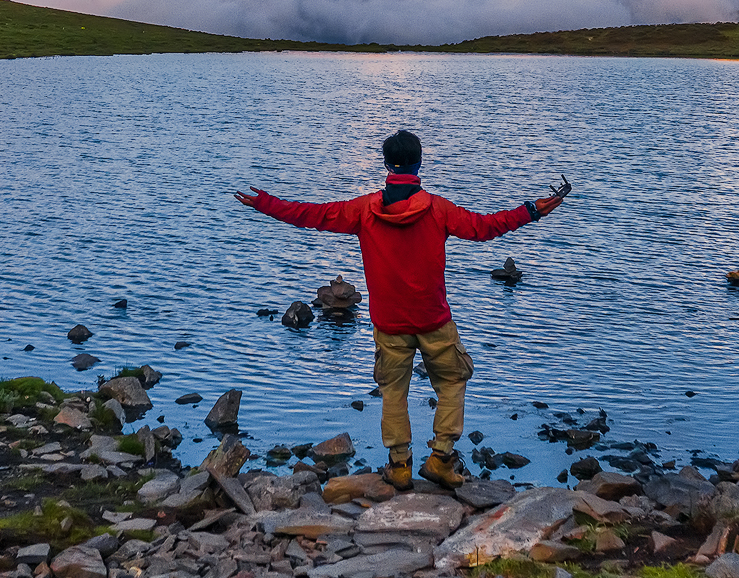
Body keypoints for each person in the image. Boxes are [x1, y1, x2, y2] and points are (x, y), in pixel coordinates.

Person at [234, 129, 570, 490]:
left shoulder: (364, 211)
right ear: (419, 163)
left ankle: (399, 467)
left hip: (389, 324)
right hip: (433, 319)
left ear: (386, 165)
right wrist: (531, 211)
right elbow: (484, 229)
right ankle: (441, 458)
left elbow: (313, 215)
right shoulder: (438, 209)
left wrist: (267, 204)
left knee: (393, 392)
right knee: (454, 380)